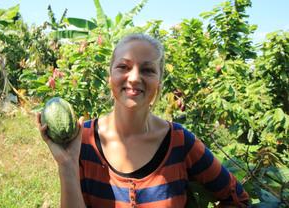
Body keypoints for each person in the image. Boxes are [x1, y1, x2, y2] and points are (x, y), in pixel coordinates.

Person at [38, 33, 250, 208]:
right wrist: (66, 164)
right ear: (109, 75)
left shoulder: (180, 142)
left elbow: (237, 199)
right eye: (123, 67)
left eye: (148, 70)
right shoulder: (81, 140)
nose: (134, 77)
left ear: (159, 81)